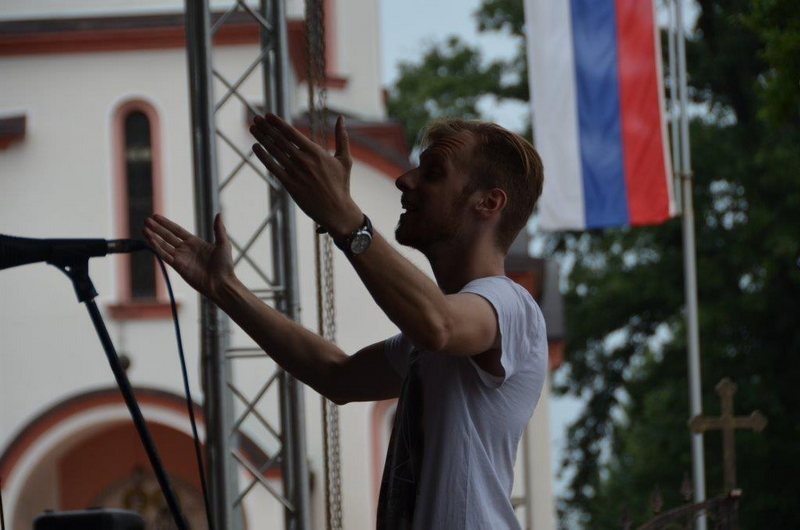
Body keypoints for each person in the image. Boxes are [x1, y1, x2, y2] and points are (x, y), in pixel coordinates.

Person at [144, 113, 548, 530]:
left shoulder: (511, 306)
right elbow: (336, 375)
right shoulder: (435, 334)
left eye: (432, 173)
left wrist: (346, 219)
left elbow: (438, 325)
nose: (404, 181)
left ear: (489, 203)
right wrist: (226, 289)